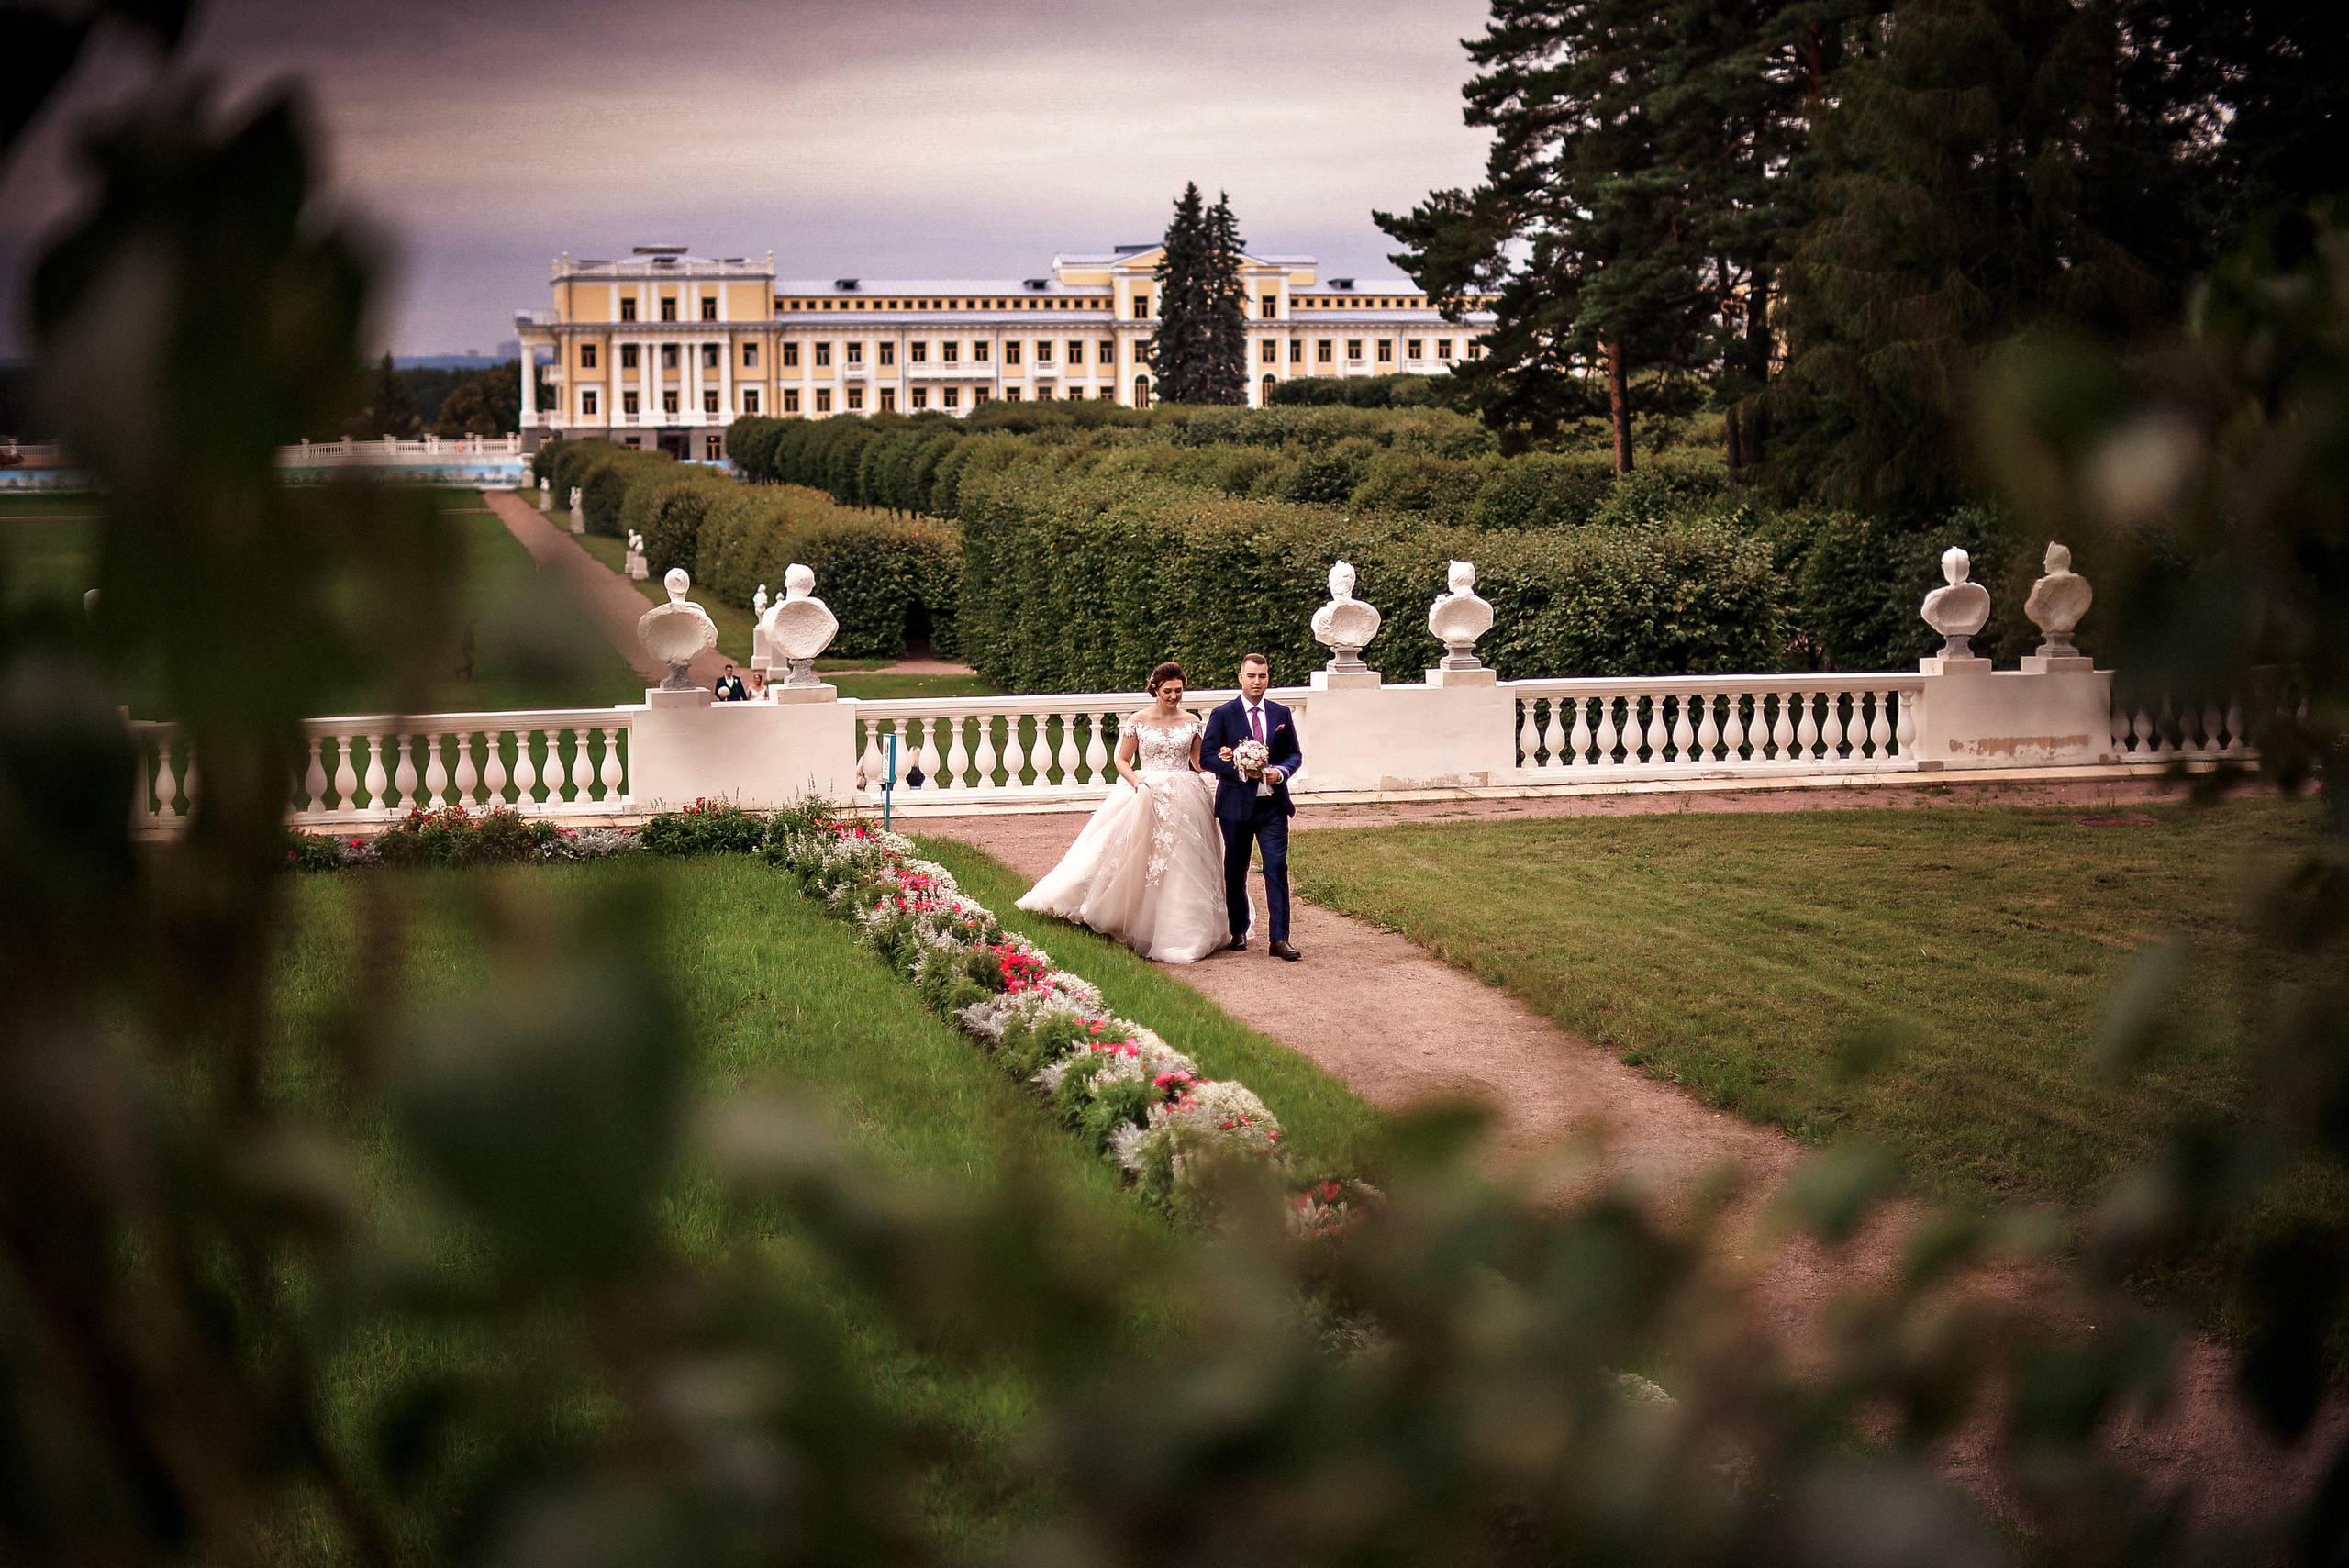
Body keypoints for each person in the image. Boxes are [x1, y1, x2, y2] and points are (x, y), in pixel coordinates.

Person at [1016, 662, 1232, 964]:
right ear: (1155, 689)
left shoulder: (1192, 722)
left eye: (1179, 690)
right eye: (1167, 691)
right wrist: (1137, 782)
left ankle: (1184, 927)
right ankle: (1123, 913)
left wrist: (1221, 759)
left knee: (1185, 859)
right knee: (1139, 853)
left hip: (1186, 794)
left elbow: (1196, 763)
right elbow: (1122, 760)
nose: (1173, 696)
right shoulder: (1138, 721)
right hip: (1147, 790)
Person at [1201, 653, 1302, 960]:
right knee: (1235, 868)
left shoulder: (1281, 713)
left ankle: (1279, 939)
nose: (1257, 682)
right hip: (1236, 806)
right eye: (1252, 676)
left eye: (1263, 676)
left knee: (1276, 866)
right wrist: (1240, 769)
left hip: (1272, 805)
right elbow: (1206, 757)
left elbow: (1294, 754)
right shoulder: (1223, 714)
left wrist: (1280, 772)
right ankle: (1238, 930)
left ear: (1268, 678)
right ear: (1240, 678)